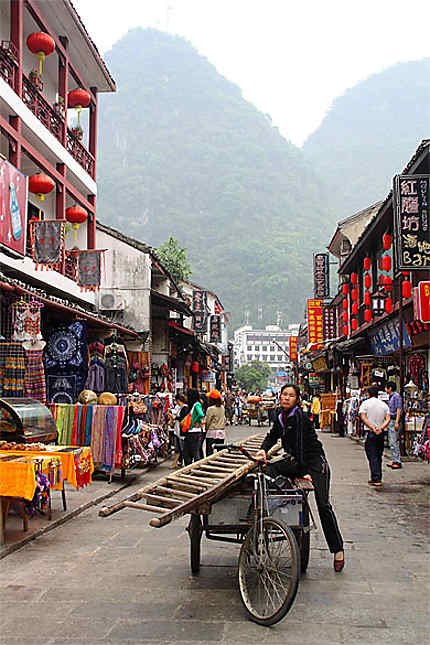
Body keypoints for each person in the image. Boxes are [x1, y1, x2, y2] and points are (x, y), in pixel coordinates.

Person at [255, 383, 345, 572]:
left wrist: (305, 473)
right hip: (297, 462)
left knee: (323, 506)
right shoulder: (281, 417)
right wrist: (263, 450)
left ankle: (338, 549)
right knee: (265, 470)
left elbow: (302, 445)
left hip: (314, 464)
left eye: (290, 395)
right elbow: (272, 436)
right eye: (284, 394)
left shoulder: (301, 417)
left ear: (297, 399)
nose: (286, 398)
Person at [359, 385, 391, 486]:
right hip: (381, 433)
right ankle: (377, 476)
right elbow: (388, 419)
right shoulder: (384, 405)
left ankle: (376, 478)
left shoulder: (365, 404)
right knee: (378, 455)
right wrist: (381, 428)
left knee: (372, 455)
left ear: (368, 394)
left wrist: (372, 427)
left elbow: (363, 417)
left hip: (371, 432)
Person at [182, 388, 205, 465]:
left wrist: (193, 422)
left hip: (194, 432)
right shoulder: (194, 405)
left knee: (193, 452)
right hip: (193, 432)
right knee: (192, 452)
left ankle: (195, 468)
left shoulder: (197, 404)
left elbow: (201, 414)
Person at [385, 381, 403, 469]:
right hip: (390, 421)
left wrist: (396, 422)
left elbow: (399, 409)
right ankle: (394, 460)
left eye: (386, 387)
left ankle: (397, 461)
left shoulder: (396, 396)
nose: (385, 389)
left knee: (393, 441)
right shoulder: (391, 397)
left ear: (390, 388)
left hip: (394, 420)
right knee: (391, 441)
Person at [205, 389, 226, 455]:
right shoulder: (222, 407)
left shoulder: (210, 409)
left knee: (209, 452)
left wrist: (206, 429)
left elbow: (207, 421)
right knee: (220, 452)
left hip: (212, 432)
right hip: (221, 432)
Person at [169, 393, 187, 469]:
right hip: (177, 431)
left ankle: (184, 463)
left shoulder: (185, 408)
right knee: (178, 448)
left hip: (182, 431)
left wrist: (174, 417)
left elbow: (182, 419)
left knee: (182, 448)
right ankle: (176, 463)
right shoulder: (180, 408)